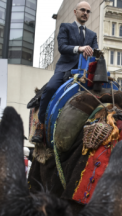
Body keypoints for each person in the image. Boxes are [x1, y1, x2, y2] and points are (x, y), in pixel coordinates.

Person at [32, 1, 98, 143]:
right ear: (75, 12)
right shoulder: (66, 27)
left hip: (84, 72)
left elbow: (96, 52)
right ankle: (41, 124)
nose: (85, 13)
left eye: (88, 11)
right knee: (50, 89)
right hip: (65, 68)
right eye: (83, 10)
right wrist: (80, 48)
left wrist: (96, 53)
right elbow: (62, 47)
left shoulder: (92, 35)